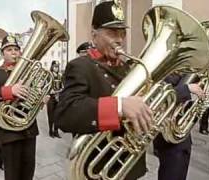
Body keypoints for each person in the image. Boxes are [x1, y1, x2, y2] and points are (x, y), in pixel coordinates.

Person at [54, 1, 152, 179]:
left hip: (132, 164)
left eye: (122, 33)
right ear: (94, 35)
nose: (119, 39)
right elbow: (65, 114)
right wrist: (119, 107)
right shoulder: (80, 66)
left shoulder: (129, 68)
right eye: (112, 33)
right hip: (100, 166)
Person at [0, 35, 45, 180]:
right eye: (9, 49)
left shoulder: (29, 72)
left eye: (16, 49)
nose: (14, 52)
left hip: (28, 129)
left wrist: (40, 99)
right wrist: (9, 91)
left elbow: (32, 95)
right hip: (9, 133)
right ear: (3, 53)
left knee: (28, 171)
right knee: (12, 174)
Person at [153, 72, 205, 180]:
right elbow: (160, 100)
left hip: (183, 136)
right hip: (168, 138)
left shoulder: (186, 75)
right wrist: (186, 89)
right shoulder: (162, 72)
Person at [47, 60, 63, 138]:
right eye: (55, 67)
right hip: (51, 98)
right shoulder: (49, 75)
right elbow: (45, 86)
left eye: (57, 67)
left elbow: (62, 86)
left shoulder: (60, 76)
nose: (56, 68)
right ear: (52, 67)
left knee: (57, 116)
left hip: (58, 97)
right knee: (51, 116)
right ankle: (50, 131)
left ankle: (56, 131)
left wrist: (60, 90)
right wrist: (50, 91)